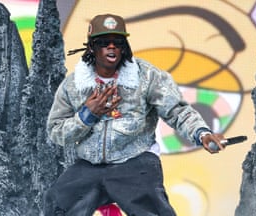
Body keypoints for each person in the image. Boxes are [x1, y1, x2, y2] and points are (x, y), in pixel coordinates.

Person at [44, 13, 225, 216]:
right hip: (89, 166)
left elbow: (177, 110)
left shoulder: (147, 76)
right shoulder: (74, 85)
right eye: (104, 42)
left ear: (124, 47)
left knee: (152, 210)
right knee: (56, 205)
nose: (112, 47)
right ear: (92, 47)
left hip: (134, 161)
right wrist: (87, 115)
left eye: (118, 42)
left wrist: (201, 133)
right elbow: (56, 132)